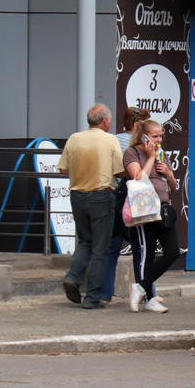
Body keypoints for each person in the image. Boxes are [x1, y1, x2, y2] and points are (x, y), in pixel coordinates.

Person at [58, 104, 125, 310]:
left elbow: (63, 170)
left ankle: (73, 277)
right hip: (101, 196)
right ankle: (93, 297)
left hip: (77, 196)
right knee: (100, 249)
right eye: (110, 119)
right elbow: (121, 171)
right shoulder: (110, 139)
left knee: (85, 241)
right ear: (105, 121)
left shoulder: (74, 138)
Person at [123, 119, 180, 313]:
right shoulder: (132, 153)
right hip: (143, 207)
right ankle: (149, 296)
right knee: (146, 253)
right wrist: (149, 157)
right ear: (144, 136)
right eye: (155, 136)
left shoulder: (161, 153)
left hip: (162, 207)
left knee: (172, 251)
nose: (159, 140)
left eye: (161, 136)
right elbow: (138, 178)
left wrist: (169, 174)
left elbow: (172, 186)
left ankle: (140, 287)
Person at [103, 106, 149, 303]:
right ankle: (146, 291)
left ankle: (105, 294)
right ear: (138, 125)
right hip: (135, 199)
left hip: (115, 198)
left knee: (112, 247)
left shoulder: (113, 140)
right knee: (140, 247)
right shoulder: (139, 146)